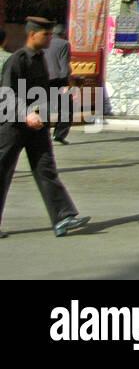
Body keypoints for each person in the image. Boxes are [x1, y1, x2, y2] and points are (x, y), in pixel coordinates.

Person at [0, 17, 90, 238]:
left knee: (46, 170)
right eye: (46, 35)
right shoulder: (17, 60)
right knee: (2, 173)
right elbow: (7, 94)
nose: (50, 39)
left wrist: (68, 81)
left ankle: (62, 217)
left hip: (36, 125)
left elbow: (43, 88)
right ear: (32, 35)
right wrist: (27, 113)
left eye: (51, 34)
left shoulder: (40, 59)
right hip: (13, 125)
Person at [43, 23, 72, 145]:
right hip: (58, 80)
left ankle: (43, 135)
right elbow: (64, 64)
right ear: (63, 34)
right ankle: (59, 135)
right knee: (66, 109)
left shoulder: (44, 43)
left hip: (44, 79)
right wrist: (66, 83)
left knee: (46, 108)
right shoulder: (64, 44)